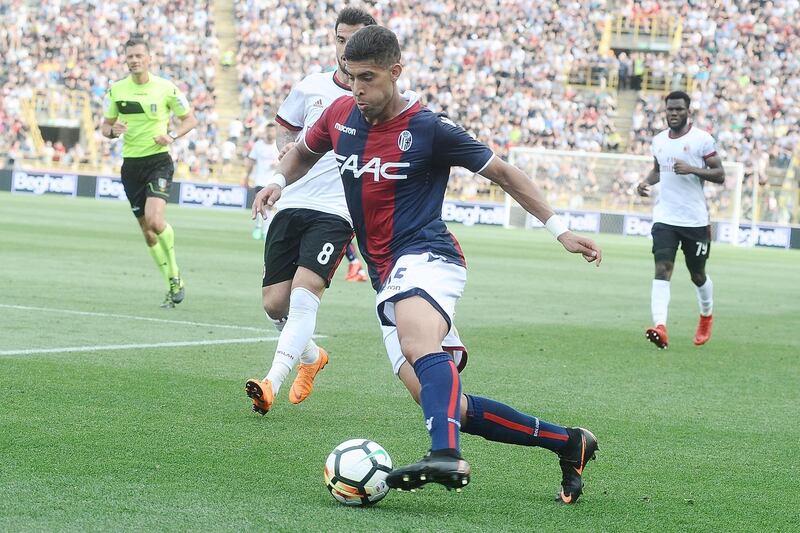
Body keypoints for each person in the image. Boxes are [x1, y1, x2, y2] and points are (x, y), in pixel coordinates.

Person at [252, 25, 603, 504]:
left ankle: (444, 454)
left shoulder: (428, 128)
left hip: (428, 255)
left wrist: (559, 230)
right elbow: (303, 153)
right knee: (448, 403)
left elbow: (503, 173)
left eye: (368, 78)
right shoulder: (339, 115)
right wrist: (276, 180)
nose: (357, 89)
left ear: (395, 73)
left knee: (420, 344)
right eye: (351, 77)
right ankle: (569, 443)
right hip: (384, 274)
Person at [244, 7, 378, 415]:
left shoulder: (378, 97)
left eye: (353, 41)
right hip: (293, 200)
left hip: (336, 210)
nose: (345, 48)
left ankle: (271, 381)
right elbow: (286, 124)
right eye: (340, 40)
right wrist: (285, 149)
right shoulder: (311, 86)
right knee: (273, 304)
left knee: (304, 297)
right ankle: (311, 357)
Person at [101, 36, 198, 308]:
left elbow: (190, 120)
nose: (134, 60)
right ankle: (171, 280)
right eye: (130, 56)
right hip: (130, 166)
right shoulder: (117, 90)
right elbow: (105, 127)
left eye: (138, 56)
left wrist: (172, 135)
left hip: (158, 161)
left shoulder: (166, 88)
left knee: (156, 221)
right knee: (148, 233)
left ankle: (175, 272)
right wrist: (112, 131)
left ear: (149, 58)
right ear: (125, 59)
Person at [637, 91, 725, 348]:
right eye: (669, 109)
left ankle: (706, 315)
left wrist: (692, 169)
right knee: (662, 269)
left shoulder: (702, 140)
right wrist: (644, 182)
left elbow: (719, 174)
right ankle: (661, 327)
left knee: (697, 274)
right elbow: (658, 170)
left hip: (695, 220)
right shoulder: (659, 141)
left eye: (678, 109)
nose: (673, 113)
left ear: (688, 111)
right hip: (665, 217)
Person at [242, 123, 281, 239]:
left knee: (270, 207)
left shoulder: (278, 146)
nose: (270, 133)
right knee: (261, 205)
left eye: (272, 131)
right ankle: (259, 226)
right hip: (259, 180)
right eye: (268, 131)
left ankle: (265, 230)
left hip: (274, 181)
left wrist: (278, 164)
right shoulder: (258, 145)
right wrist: (247, 176)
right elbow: (251, 162)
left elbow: (285, 160)